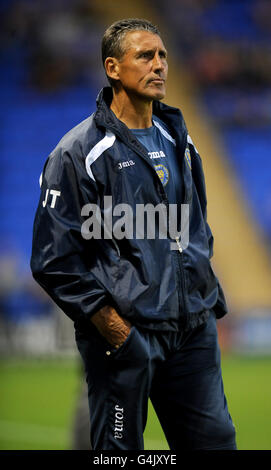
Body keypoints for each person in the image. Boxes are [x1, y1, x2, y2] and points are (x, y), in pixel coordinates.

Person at [31, 18, 237, 451]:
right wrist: (120, 333)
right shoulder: (78, 153)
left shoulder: (181, 140)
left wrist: (204, 298)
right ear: (112, 68)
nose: (159, 64)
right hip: (126, 339)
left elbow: (194, 229)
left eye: (163, 55)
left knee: (216, 443)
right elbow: (54, 261)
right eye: (145, 55)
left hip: (191, 336)